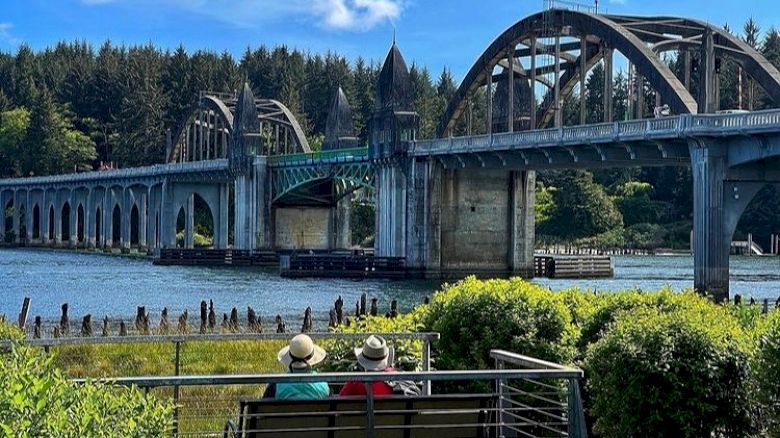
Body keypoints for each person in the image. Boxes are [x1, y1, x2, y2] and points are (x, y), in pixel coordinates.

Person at [263, 334, 330, 400]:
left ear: (290, 357)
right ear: (311, 359)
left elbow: (263, 407)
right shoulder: (323, 385)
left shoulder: (276, 386)